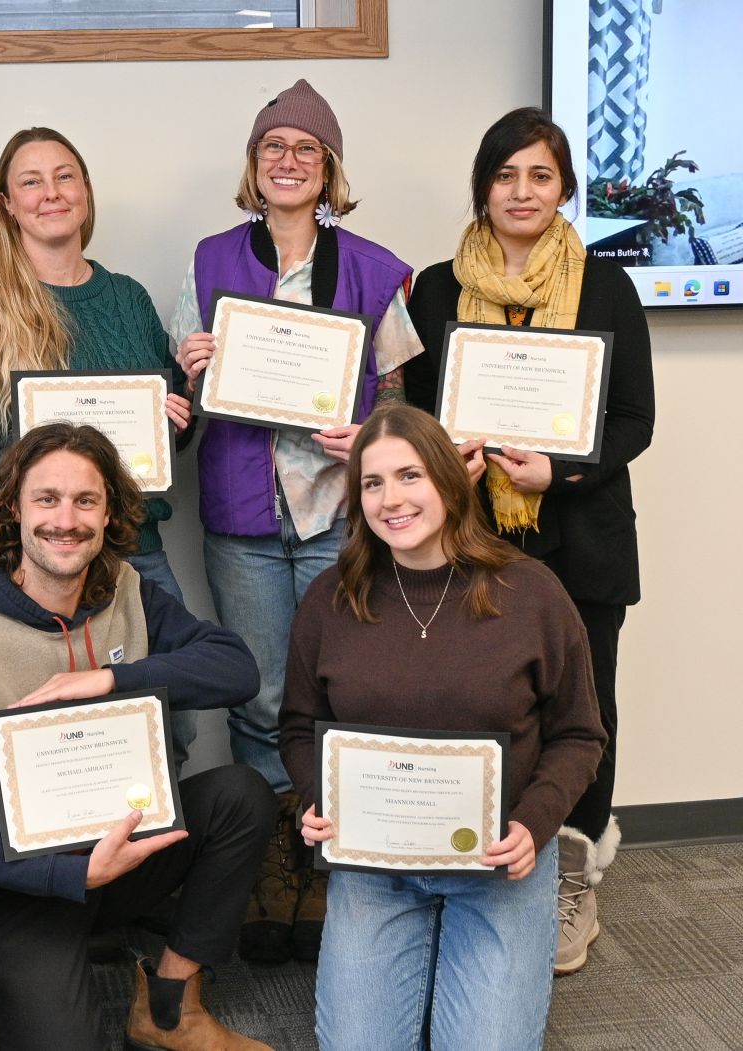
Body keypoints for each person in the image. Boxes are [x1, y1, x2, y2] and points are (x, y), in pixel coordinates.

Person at [167, 78, 429, 964]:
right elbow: (178, 393)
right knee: (261, 696)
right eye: (273, 146)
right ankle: (275, 866)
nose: (288, 161)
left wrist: (371, 438)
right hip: (243, 509)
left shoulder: (371, 265)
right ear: (254, 163)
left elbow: (397, 391)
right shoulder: (206, 260)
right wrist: (194, 364)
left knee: (339, 691)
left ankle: (332, 866)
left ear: (329, 169)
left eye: (305, 149)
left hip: (338, 510)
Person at [0, 421, 276, 1051]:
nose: (67, 519)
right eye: (46, 499)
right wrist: (68, 878)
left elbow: (236, 669)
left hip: (127, 852)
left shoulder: (130, 591)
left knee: (241, 795)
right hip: (22, 889)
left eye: (87, 501)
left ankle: (170, 1007)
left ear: (110, 513)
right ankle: (9, 979)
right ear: (13, 510)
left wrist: (111, 679)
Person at [403, 106, 654, 976]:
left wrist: (562, 470)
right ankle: (481, 862)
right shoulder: (436, 289)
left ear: (564, 188)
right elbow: (419, 411)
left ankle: (573, 878)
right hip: (476, 538)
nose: (522, 191)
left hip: (581, 540)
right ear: (482, 187)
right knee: (478, 703)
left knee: (586, 714)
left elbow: (633, 419)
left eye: (540, 175)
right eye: (506, 175)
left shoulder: (605, 285)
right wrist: (449, 456)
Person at [279, 403, 606, 1050]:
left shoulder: (531, 593)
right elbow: (296, 727)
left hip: (500, 860)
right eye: (372, 483)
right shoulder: (330, 600)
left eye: (410, 476)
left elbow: (579, 734)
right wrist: (319, 797)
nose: (391, 498)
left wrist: (533, 825)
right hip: (374, 861)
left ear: (450, 483)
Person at [0, 127, 198, 757]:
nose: (51, 193)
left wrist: (181, 410)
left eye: (65, 176)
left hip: (130, 547)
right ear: (7, 203)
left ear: (87, 191)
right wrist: (45, 503)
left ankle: (151, 851)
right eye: (31, 182)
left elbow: (163, 425)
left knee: (165, 725)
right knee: (41, 736)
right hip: (15, 555)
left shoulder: (125, 298)